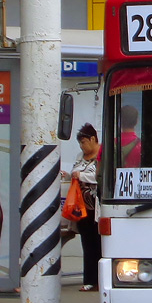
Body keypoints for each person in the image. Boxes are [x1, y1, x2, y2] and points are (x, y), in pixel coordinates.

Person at [62, 124, 101, 292]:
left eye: (84, 142)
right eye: (80, 143)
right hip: (83, 206)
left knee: (99, 243)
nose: (82, 147)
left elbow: (101, 175)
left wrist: (82, 175)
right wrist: (69, 175)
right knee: (87, 243)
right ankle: (89, 280)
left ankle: (99, 279)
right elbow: (75, 171)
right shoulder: (80, 156)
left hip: (97, 207)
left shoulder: (103, 154)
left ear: (93, 139)